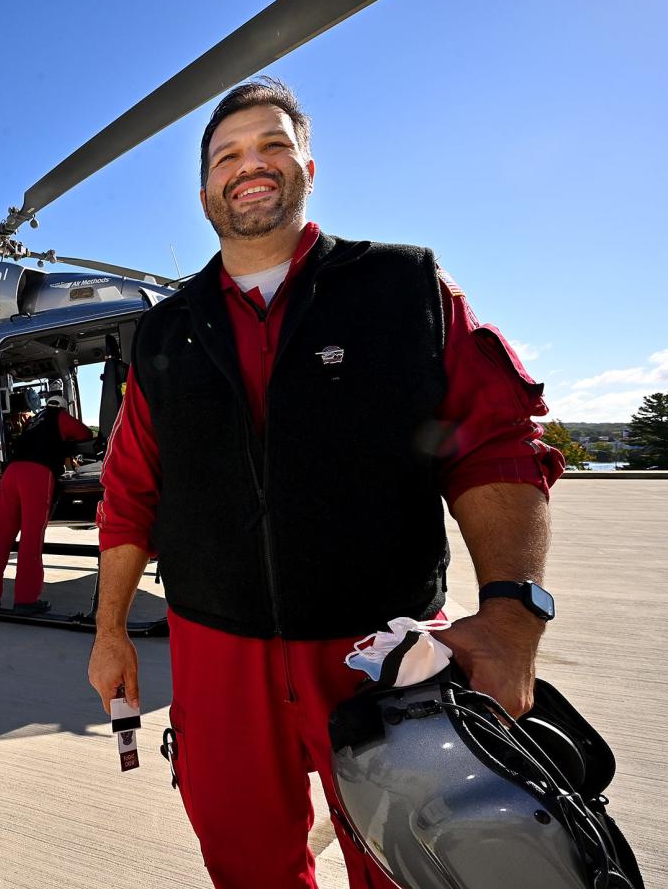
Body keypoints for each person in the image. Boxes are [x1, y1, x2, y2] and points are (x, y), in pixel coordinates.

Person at [87, 78, 566, 889]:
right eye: (228, 155)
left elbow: (498, 444)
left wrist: (512, 617)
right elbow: (129, 493)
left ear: (308, 163)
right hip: (216, 656)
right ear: (205, 188)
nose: (252, 165)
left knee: (412, 864)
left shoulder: (405, 288)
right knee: (245, 863)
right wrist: (108, 633)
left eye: (273, 144)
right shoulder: (165, 333)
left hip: (379, 644)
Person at [0, 394, 93, 613]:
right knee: (31, 538)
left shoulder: (32, 420)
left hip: (12, 472)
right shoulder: (59, 415)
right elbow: (85, 434)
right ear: (62, 406)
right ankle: (26, 599)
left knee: (1, 536)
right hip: (36, 474)